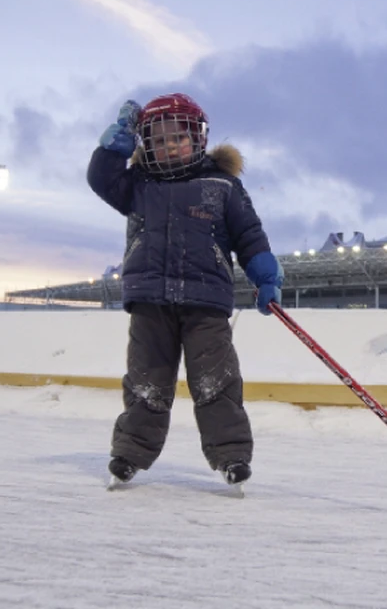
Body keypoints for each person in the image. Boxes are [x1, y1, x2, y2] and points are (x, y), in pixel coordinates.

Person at [87, 93, 284, 486]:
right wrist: (115, 145)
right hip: (150, 301)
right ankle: (130, 453)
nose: (168, 146)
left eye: (177, 137)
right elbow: (101, 179)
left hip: (205, 302)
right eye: (157, 141)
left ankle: (230, 456)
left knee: (216, 381)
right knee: (146, 382)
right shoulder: (138, 184)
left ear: (198, 138)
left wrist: (266, 277)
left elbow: (250, 236)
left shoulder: (222, 185)